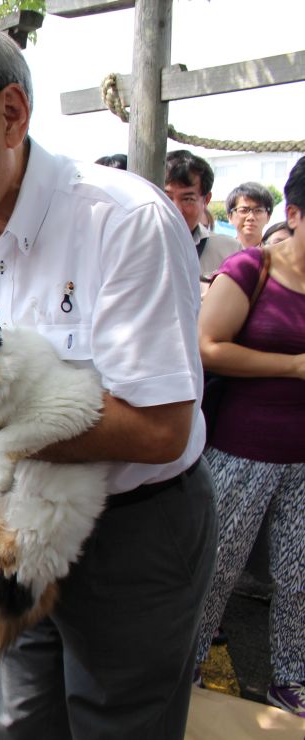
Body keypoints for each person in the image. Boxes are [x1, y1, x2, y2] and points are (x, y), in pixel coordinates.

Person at [0, 19, 215, 738]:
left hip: (133, 534)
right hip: (10, 521)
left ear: (11, 114)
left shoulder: (122, 223)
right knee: (17, 722)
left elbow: (159, 428)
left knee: (117, 724)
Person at [193, 156, 305, 718]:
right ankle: (182, 668)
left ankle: (293, 678)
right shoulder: (251, 269)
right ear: (295, 212)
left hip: (302, 462)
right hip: (243, 452)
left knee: (301, 577)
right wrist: (293, 368)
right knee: (214, 570)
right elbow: (207, 346)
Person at [165, 149, 241, 278]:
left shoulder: (230, 252)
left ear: (206, 199)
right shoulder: (132, 246)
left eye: (187, 199)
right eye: (166, 198)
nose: (176, 210)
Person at [227, 181, 274, 249]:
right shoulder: (220, 254)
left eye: (258, 210)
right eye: (244, 210)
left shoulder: (275, 256)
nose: (251, 217)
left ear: (268, 217)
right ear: (230, 217)